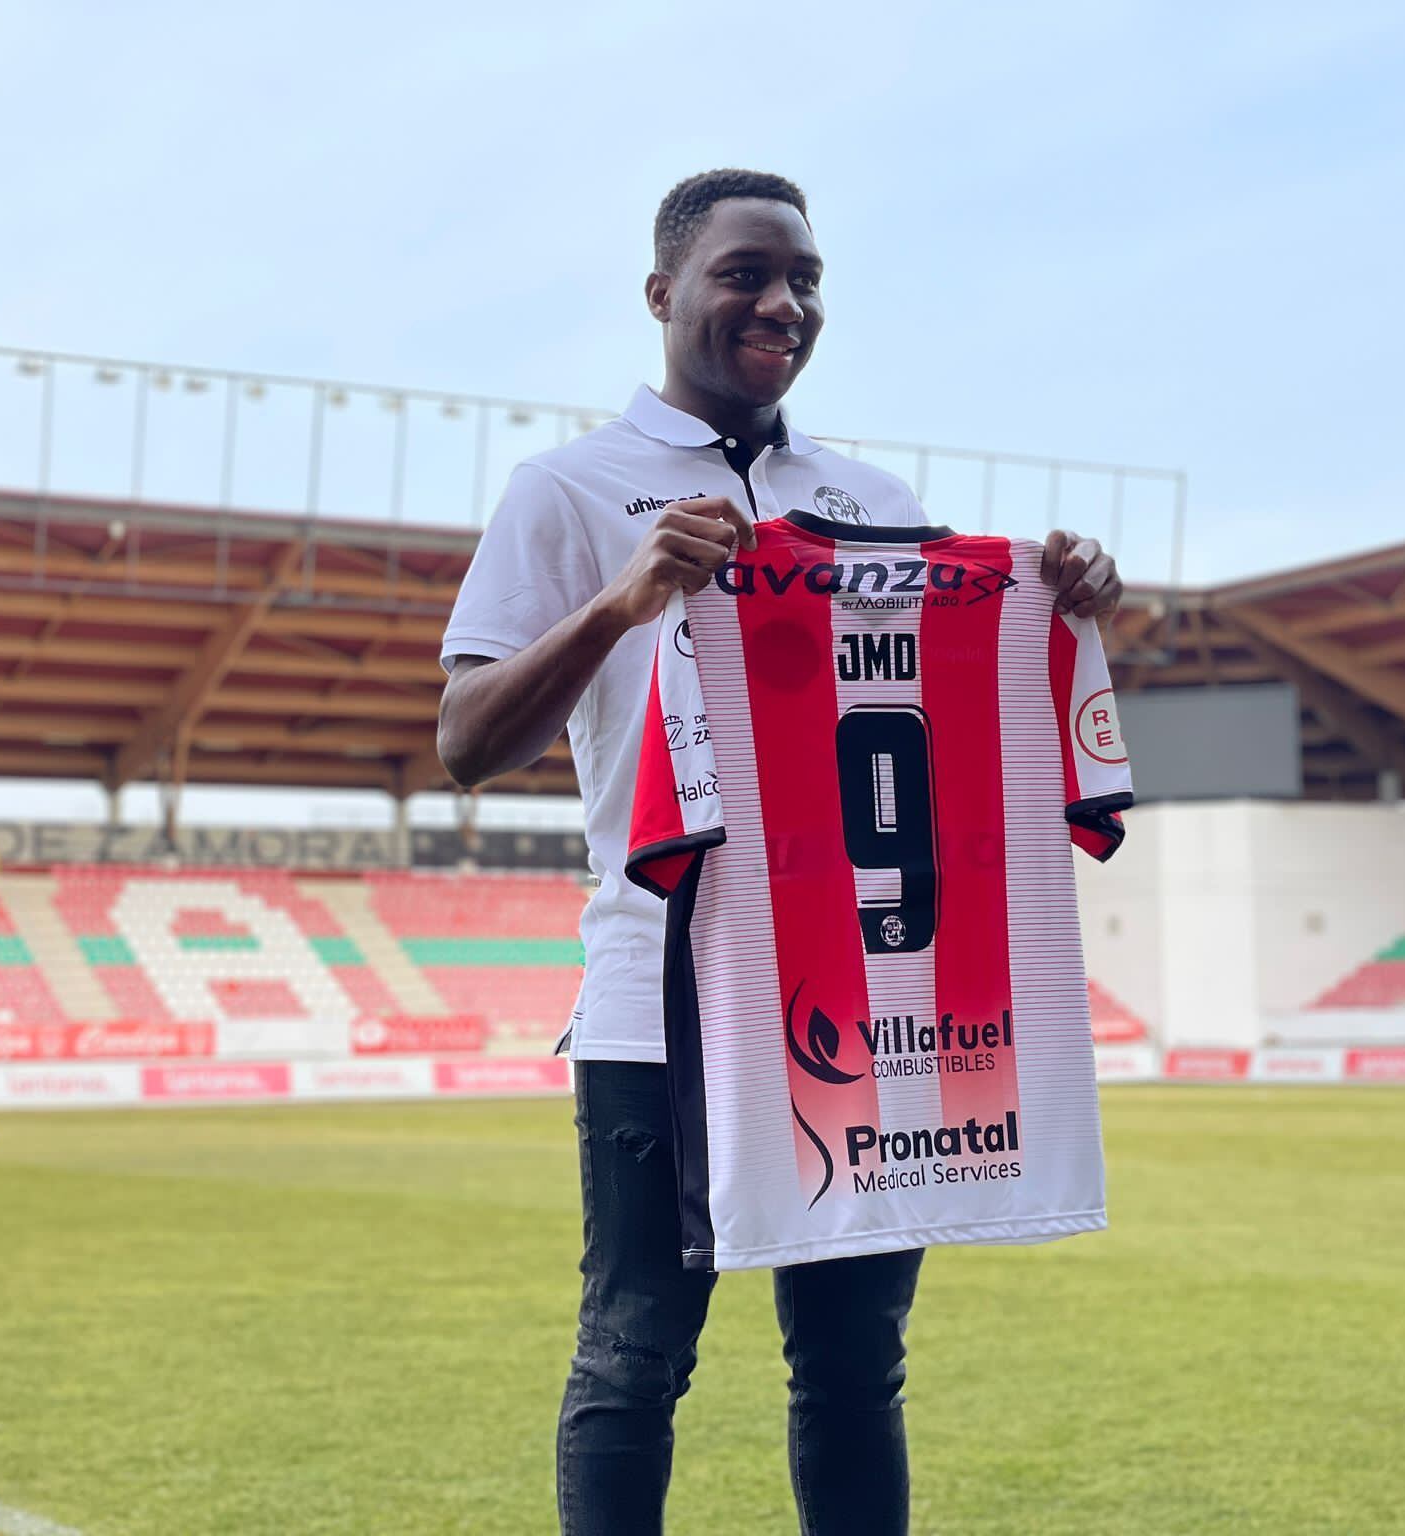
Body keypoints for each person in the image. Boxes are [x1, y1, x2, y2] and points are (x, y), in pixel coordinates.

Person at [436, 168, 1124, 1536]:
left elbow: (939, 714)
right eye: (745, 273)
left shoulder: (871, 496)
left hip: (864, 998)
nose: (782, 303)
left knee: (857, 1372)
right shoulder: (569, 490)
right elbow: (465, 738)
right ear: (662, 295)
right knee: (635, 1361)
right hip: (662, 994)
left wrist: (1071, 607)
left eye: (804, 279)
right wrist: (621, 605)